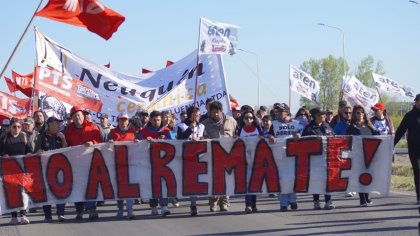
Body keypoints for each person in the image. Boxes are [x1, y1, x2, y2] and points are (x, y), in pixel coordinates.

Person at [65, 106, 102, 220]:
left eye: (79, 115)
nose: (78, 117)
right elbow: (66, 145)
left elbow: (100, 141)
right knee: (78, 187)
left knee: (91, 186)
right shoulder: (68, 130)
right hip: (75, 163)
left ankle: (92, 209)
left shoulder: (93, 127)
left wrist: (92, 142)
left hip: (90, 161)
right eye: (75, 116)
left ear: (83, 115)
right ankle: (79, 210)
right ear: (72, 118)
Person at [202, 101, 237, 212]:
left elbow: (237, 135)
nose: (216, 115)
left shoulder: (231, 121)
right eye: (213, 112)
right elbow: (202, 139)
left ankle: (224, 203)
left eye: (217, 112)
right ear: (210, 112)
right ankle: (213, 202)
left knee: (227, 180)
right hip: (212, 156)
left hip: (228, 155)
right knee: (213, 180)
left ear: (221, 111)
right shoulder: (205, 124)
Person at [268, 103, 301, 212]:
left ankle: (293, 201)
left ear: (287, 112)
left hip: (293, 155)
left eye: (281, 111)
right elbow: (270, 134)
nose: (279, 113)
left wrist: (299, 135)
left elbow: (302, 133)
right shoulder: (274, 124)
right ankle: (283, 203)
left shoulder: (296, 123)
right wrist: (271, 136)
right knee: (281, 179)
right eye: (278, 111)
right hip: (279, 155)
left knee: (292, 178)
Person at [139, 110, 172, 216]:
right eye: (154, 120)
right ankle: (153, 206)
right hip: (149, 162)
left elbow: (174, 144)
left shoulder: (166, 131)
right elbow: (138, 145)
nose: (157, 122)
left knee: (163, 184)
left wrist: (166, 140)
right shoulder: (144, 131)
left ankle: (164, 206)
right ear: (150, 120)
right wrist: (145, 141)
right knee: (152, 184)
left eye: (158, 120)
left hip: (164, 162)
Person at [35, 117, 68, 222]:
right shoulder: (41, 136)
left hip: (59, 168)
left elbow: (67, 150)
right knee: (46, 192)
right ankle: (48, 215)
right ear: (49, 125)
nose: (58, 125)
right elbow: (37, 150)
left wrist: (63, 139)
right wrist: (39, 150)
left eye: (58, 124)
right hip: (45, 169)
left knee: (60, 190)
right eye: (55, 123)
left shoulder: (61, 136)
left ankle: (60, 213)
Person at [302, 107, 335, 210]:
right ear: (315, 116)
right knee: (315, 180)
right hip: (314, 159)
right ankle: (316, 201)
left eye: (324, 114)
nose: (324, 116)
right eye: (321, 114)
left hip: (327, 158)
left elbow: (334, 138)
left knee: (327, 180)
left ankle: (328, 201)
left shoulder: (327, 126)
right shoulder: (309, 129)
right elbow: (304, 143)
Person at [346, 105, 379, 206]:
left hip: (369, 155)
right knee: (360, 176)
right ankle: (362, 198)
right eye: (358, 113)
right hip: (357, 156)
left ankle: (367, 194)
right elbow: (347, 141)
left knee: (369, 176)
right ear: (354, 115)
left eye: (362, 112)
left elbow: (378, 135)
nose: (360, 114)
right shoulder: (351, 128)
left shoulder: (369, 126)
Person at [107, 113, 139, 219]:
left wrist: (137, 142)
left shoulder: (133, 132)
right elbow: (105, 147)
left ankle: (130, 210)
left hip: (130, 164)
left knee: (128, 188)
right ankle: (120, 208)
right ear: (118, 121)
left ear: (128, 121)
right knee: (119, 188)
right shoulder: (112, 133)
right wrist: (109, 143)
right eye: (121, 120)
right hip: (116, 164)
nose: (123, 122)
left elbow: (139, 146)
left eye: (125, 120)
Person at [0, 118, 31, 224]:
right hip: (9, 171)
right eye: (14, 127)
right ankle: (13, 217)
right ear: (10, 127)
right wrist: (4, 155)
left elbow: (29, 150)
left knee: (23, 193)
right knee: (12, 193)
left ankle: (23, 215)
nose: (16, 129)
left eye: (19, 126)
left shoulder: (24, 137)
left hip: (23, 171)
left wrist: (29, 154)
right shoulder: (4, 138)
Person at [177, 106, 205, 216]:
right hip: (183, 157)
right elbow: (179, 139)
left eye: (199, 115)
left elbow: (206, 138)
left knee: (194, 183)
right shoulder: (181, 126)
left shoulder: (202, 126)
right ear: (191, 116)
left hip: (197, 158)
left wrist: (199, 139)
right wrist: (189, 129)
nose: (198, 117)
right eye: (196, 115)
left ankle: (193, 205)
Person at [394, 94, 420, 204]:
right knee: (418, 171)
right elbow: (400, 130)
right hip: (414, 149)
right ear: (415, 102)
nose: (419, 102)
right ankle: (419, 196)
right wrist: (392, 144)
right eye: (418, 101)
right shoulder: (410, 115)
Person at [237, 111, 263, 213]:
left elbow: (263, 141)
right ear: (243, 119)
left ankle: (254, 204)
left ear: (253, 119)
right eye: (246, 118)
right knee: (247, 183)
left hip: (256, 160)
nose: (248, 120)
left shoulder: (257, 129)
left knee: (254, 183)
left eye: (251, 118)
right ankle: (248, 204)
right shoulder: (240, 130)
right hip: (245, 160)